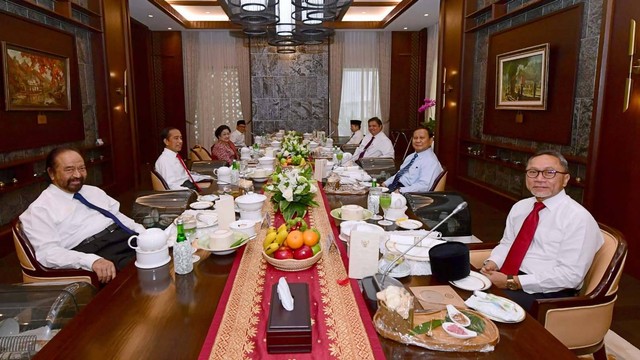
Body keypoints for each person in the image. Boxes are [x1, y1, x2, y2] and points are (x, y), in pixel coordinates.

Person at [480, 150, 603, 312]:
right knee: (458, 288)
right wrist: (493, 262)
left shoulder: (578, 218)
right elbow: (508, 243)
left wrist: (512, 282)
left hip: (548, 293)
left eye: (549, 173)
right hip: (510, 276)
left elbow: (570, 276)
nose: (539, 179)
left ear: (565, 179)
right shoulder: (521, 207)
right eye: (533, 172)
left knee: (482, 307)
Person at [20, 147, 146, 284]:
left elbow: (118, 217)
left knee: (164, 254)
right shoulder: (40, 209)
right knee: (140, 276)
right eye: (69, 170)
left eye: (82, 168)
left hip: (123, 237)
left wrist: (145, 233)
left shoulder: (93, 191)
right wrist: (91, 261)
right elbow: (48, 253)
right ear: (51, 173)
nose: (78, 175)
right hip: (94, 250)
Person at [383, 127, 443, 193]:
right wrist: (385, 183)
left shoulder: (430, 161)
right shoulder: (411, 156)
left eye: (422, 138)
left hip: (408, 193)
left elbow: (424, 186)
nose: (418, 141)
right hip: (395, 187)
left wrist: (400, 190)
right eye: (415, 138)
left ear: (431, 140)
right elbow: (400, 174)